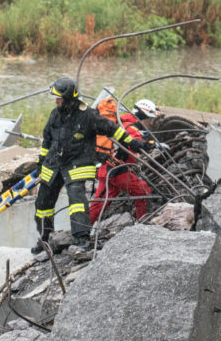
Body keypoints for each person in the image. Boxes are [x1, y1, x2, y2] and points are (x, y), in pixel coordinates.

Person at [32, 77, 156, 254]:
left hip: (76, 166)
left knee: (77, 201)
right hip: (53, 166)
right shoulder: (55, 114)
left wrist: (135, 143)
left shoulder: (88, 116)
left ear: (68, 99)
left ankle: (82, 238)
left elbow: (113, 129)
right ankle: (44, 239)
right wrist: (41, 162)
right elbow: (47, 141)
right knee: (43, 204)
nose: (56, 100)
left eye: (58, 97)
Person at [88, 98, 163, 225]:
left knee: (99, 204)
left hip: (108, 169)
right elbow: (135, 146)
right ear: (144, 117)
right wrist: (151, 146)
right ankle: (142, 224)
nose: (151, 123)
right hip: (117, 171)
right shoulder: (131, 128)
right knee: (143, 192)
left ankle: (81, 230)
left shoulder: (124, 122)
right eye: (150, 120)